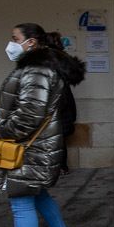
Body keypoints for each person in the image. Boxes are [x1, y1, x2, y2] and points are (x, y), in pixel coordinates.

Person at [0, 23, 85, 227]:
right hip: (36, 147)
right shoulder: (41, 67)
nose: (11, 43)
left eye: (14, 38)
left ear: (30, 42)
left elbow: (29, 115)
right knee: (37, 193)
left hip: (28, 149)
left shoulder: (37, 70)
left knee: (21, 204)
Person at [46, 32, 85, 174]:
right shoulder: (63, 61)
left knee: (54, 139)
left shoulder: (47, 62)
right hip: (63, 104)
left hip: (55, 105)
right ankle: (61, 167)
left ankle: (58, 167)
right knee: (59, 138)